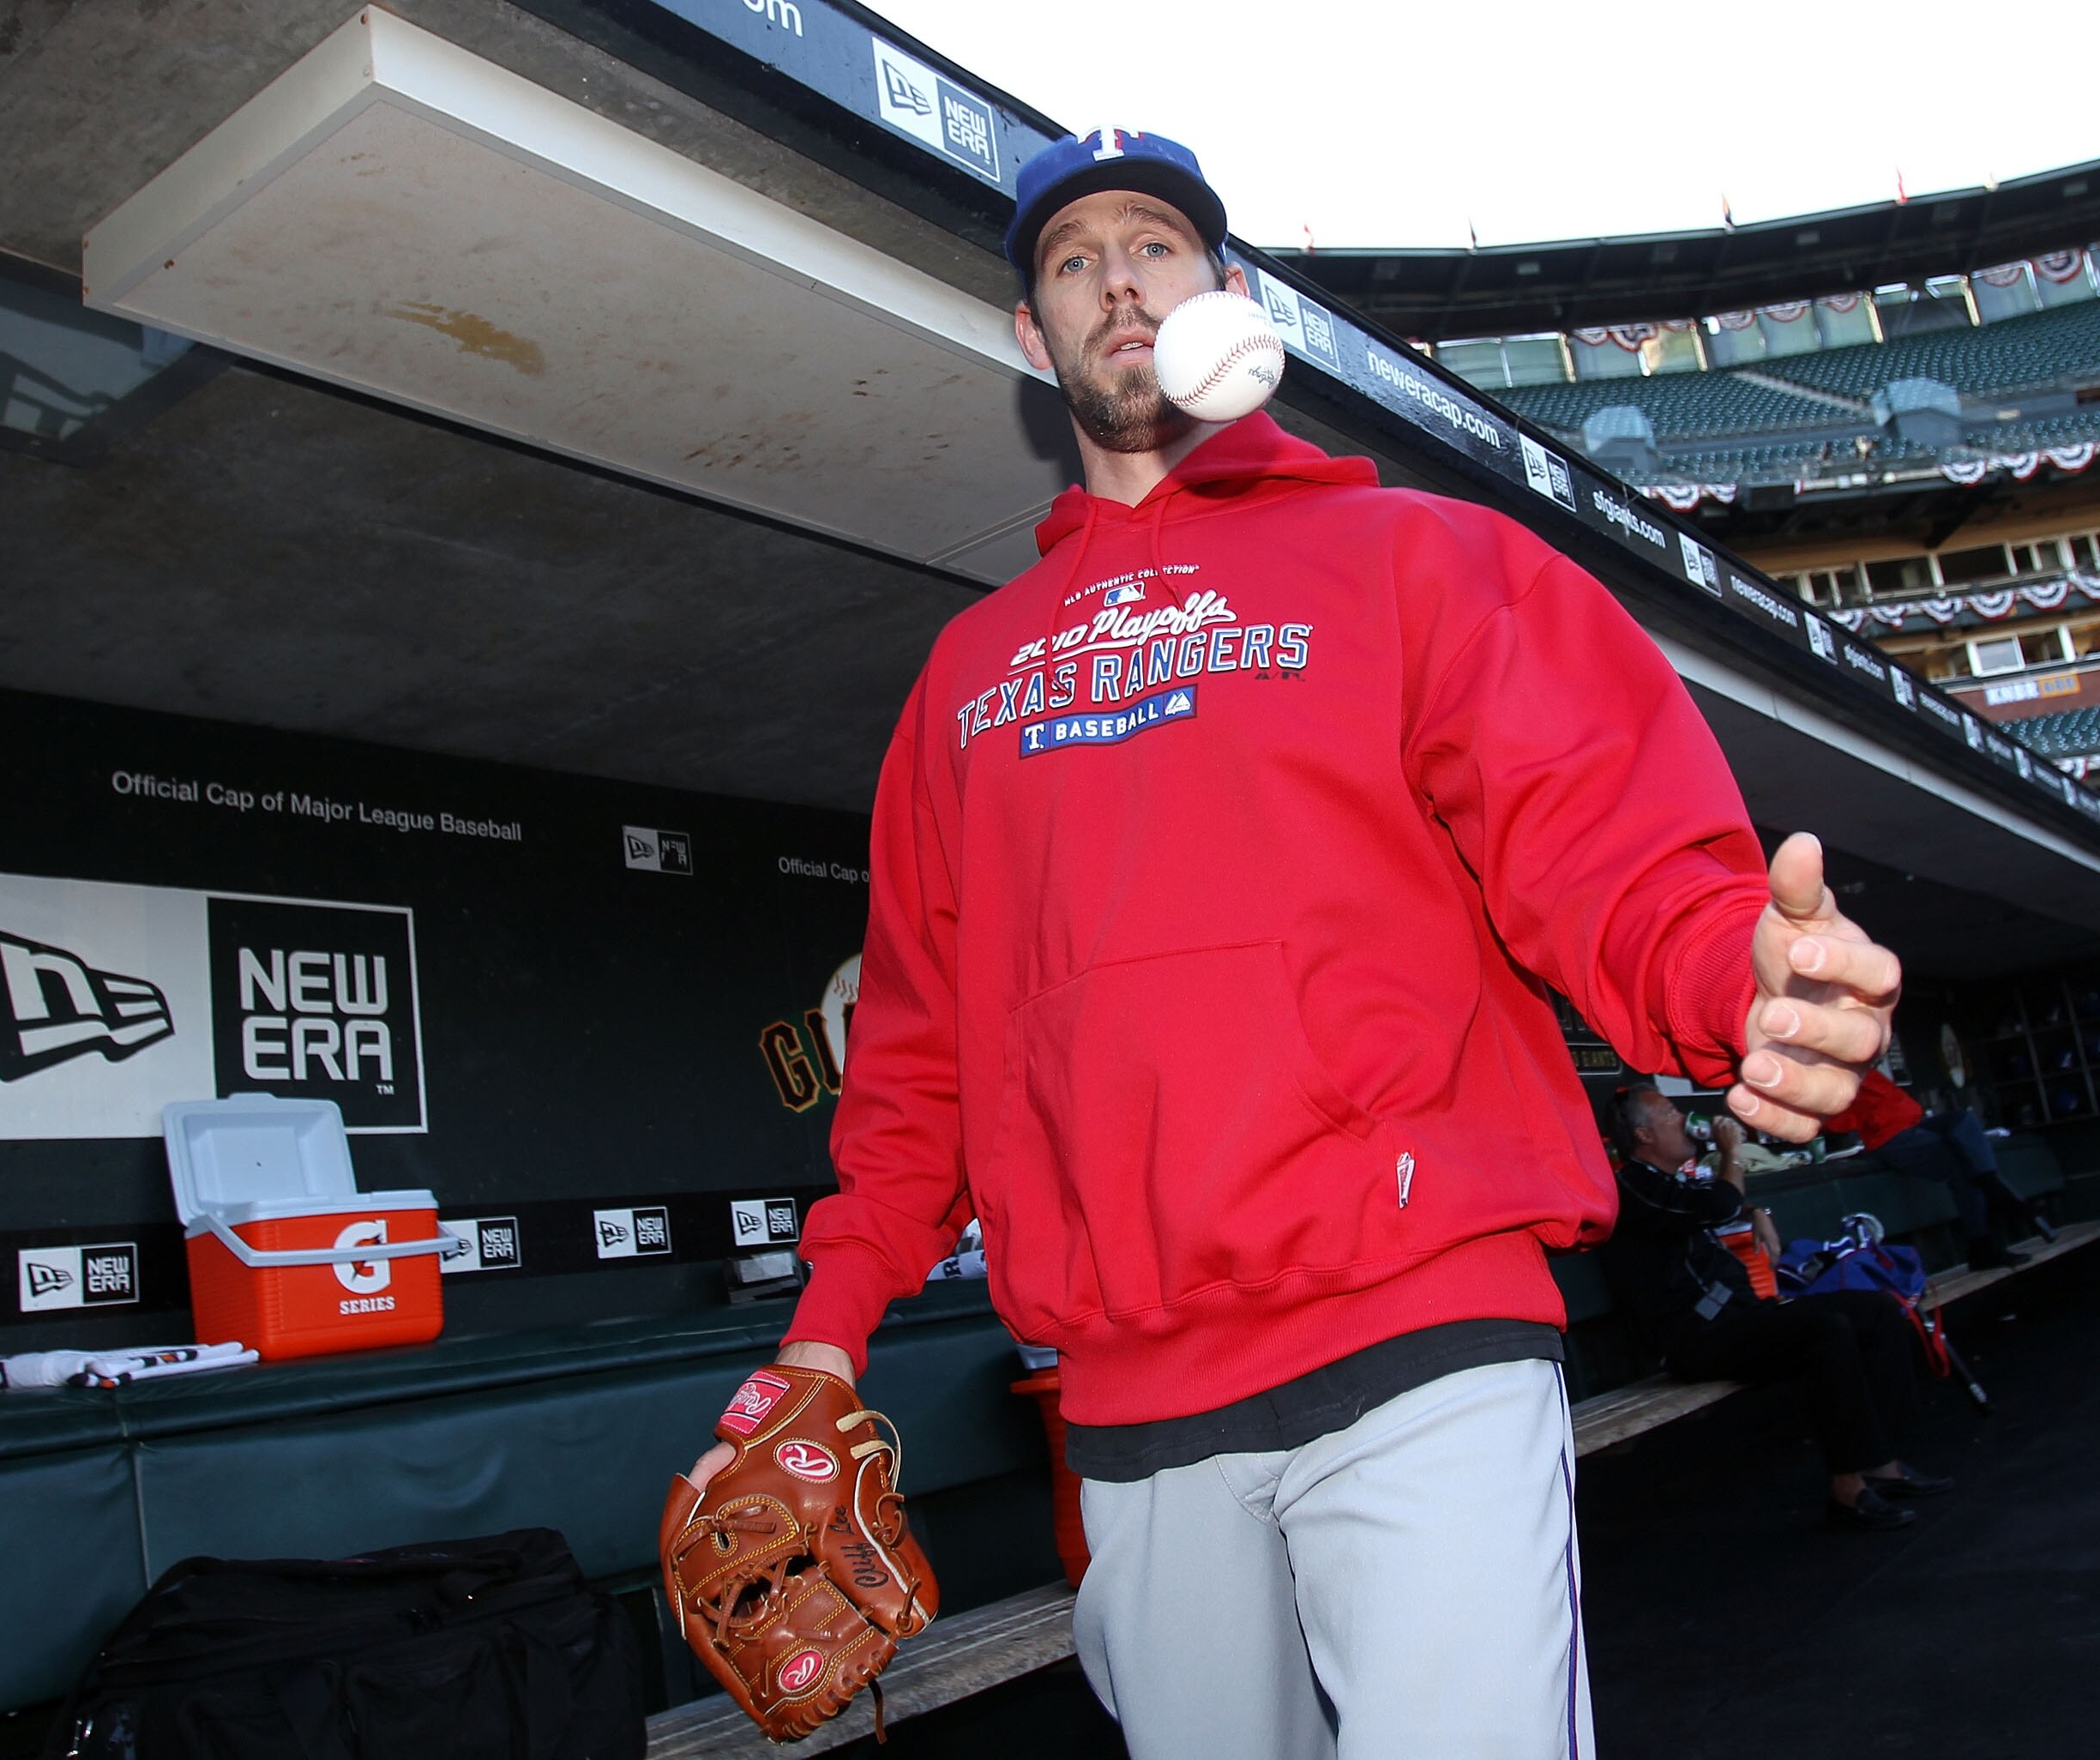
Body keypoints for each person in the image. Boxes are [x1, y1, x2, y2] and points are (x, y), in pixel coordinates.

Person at [681, 128, 1903, 1759]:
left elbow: (1602, 851)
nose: (1120, 276)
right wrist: (822, 1340)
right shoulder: (966, 679)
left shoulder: (1421, 557)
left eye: (1158, 244)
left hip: (1423, 1335)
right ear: (1031, 342)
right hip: (1126, 1398)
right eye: (1072, 259)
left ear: (1226, 296)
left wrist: (1724, 977)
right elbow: (918, 1058)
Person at [1599, 1083, 1950, 1531]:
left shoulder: (1670, 1183)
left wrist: (1756, 1208)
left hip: (1738, 1320)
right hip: (1695, 1338)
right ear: (1645, 1135)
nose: (1682, 1117)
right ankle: (1848, 1489)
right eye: (1669, 1112)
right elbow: (1715, 1205)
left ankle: (1882, 1461)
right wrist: (1732, 1152)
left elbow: (1717, 1205)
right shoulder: (1633, 1185)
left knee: (1876, 1309)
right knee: (1824, 1329)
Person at [1826, 1066, 2039, 1269]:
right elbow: (1833, 1119)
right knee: (1963, 1164)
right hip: (1890, 1138)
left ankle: (1991, 1182)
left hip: (1913, 1123)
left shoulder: (1860, 1065)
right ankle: (1983, 1241)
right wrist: (1863, 1119)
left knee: (1963, 1120)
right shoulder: (1833, 1075)